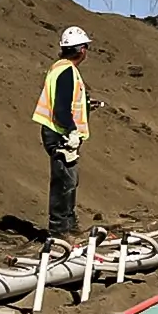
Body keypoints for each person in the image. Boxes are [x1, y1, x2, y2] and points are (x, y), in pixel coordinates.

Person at [32, 25, 93, 239]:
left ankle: (68, 224)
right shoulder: (67, 71)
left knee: (69, 179)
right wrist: (71, 130)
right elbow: (60, 108)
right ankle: (59, 230)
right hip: (59, 133)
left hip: (58, 131)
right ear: (81, 50)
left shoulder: (59, 68)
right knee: (64, 181)